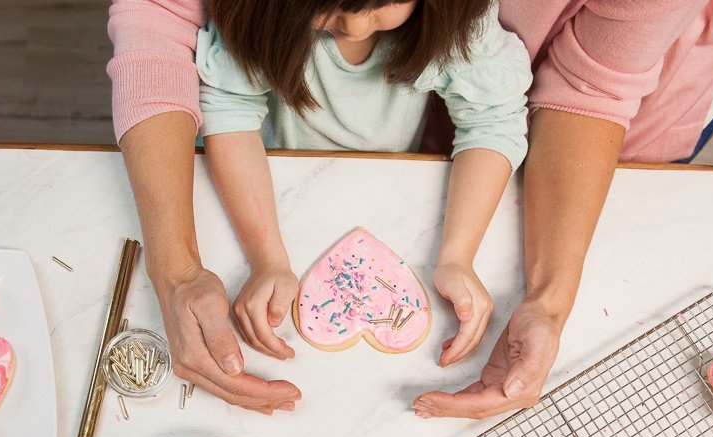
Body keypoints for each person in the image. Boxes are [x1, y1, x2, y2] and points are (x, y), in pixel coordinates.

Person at [107, 0, 713, 417]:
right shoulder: (257, 19)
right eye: (332, 11)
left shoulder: (457, 28)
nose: (352, 30)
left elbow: (523, 109)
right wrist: (263, 256)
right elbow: (222, 101)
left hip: (639, 80)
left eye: (376, 8)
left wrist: (467, 260)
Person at [196, 0, 529, 366]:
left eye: (386, 1)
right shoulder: (262, 12)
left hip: (393, 197)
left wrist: (458, 257)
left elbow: (492, 120)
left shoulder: (459, 17)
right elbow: (229, 109)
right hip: (266, 185)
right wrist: (265, 259)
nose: (354, 28)